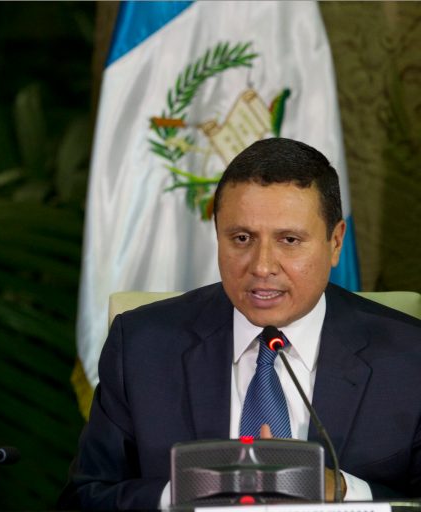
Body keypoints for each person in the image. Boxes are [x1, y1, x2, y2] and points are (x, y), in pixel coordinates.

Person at [62, 137, 421, 509]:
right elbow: (84, 498)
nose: (262, 266)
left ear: (335, 242)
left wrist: (343, 491)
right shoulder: (142, 346)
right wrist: (189, 490)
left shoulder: (410, 358)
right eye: (242, 238)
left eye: (290, 240)